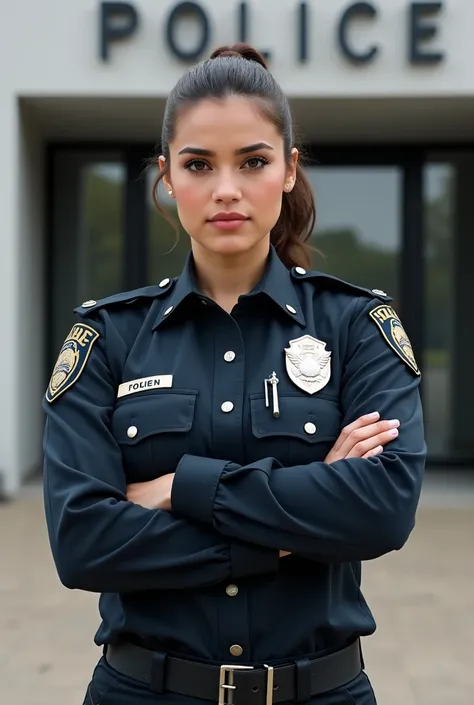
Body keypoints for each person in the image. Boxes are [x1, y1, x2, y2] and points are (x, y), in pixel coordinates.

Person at [42, 43, 426, 705]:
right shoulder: (106, 339)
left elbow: (382, 509)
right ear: (167, 177)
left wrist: (174, 486)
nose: (226, 189)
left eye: (252, 161)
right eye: (198, 163)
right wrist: (291, 529)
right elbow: (82, 542)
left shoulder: (356, 326)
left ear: (287, 169)